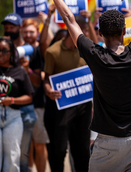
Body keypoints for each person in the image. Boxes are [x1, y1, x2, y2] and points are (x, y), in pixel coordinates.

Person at [44, 0, 131, 172]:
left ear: (100, 34)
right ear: (125, 32)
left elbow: (69, 19)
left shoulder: (96, 56)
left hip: (106, 147)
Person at [43, 15, 92, 172]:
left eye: (85, 31)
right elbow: (46, 80)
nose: (86, 34)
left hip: (84, 107)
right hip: (61, 108)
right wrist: (49, 91)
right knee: (59, 150)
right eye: (83, 31)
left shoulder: (88, 50)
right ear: (72, 29)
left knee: (83, 151)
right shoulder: (53, 52)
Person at [0, 37, 34, 172]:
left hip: (13, 117)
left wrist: (12, 100)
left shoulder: (19, 71)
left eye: (4, 51)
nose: (0, 54)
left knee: (13, 158)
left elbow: (29, 97)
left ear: (11, 53)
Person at [1, 13, 38, 172]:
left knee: (22, 153)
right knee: (2, 152)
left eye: (12, 27)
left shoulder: (32, 51)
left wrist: (27, 69)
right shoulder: (0, 50)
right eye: (6, 28)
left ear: (20, 28)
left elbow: (38, 82)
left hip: (25, 109)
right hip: (2, 109)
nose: (9, 30)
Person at [21, 18, 49, 172]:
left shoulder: (41, 51)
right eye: (25, 32)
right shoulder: (18, 50)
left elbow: (38, 81)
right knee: (27, 144)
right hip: (20, 104)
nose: (28, 35)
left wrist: (28, 71)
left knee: (39, 144)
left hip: (39, 104)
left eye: (31, 31)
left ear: (38, 32)